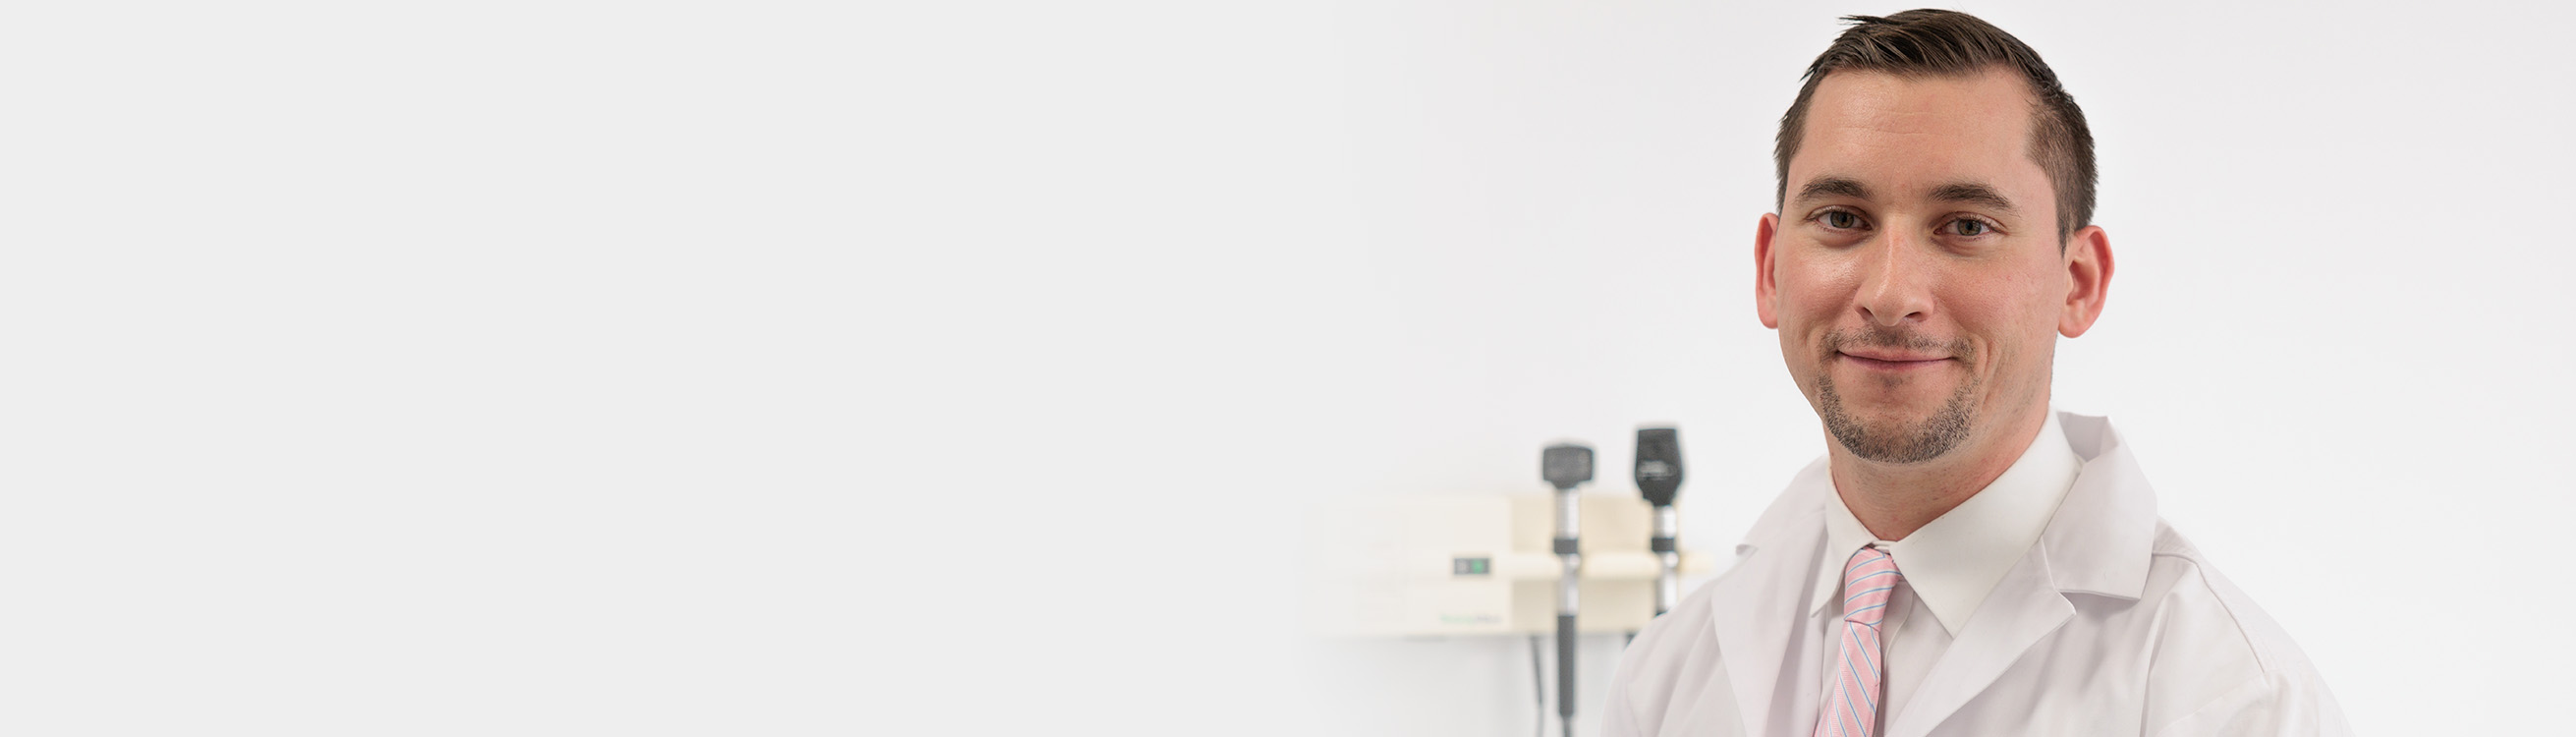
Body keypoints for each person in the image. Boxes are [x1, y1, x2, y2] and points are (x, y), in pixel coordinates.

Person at [1597, 10, 2347, 737]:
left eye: (1966, 226)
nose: (1890, 294)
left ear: (2078, 282)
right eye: (1842, 218)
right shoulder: (1667, 677)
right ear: (1769, 270)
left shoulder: (2227, 700)